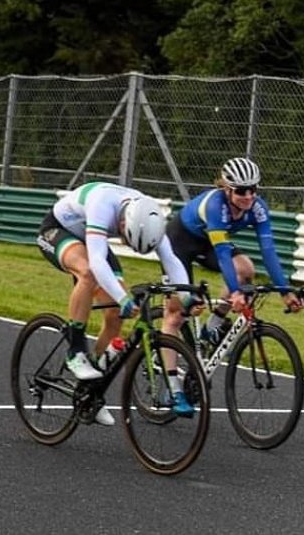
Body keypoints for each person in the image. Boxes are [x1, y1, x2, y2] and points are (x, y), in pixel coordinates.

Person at [36, 181, 195, 425]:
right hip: (58, 231)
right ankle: (75, 352)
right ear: (123, 224)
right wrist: (123, 299)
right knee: (88, 272)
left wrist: (186, 297)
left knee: (115, 317)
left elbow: (171, 260)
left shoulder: (151, 217)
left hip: (90, 239)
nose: (126, 243)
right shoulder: (103, 204)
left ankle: (90, 388)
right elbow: (98, 261)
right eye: (127, 240)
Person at [163, 157, 304, 346]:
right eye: (241, 190)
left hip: (208, 242)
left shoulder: (258, 207)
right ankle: (164, 365)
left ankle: (211, 329)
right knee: (177, 314)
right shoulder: (215, 205)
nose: (248, 196)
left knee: (245, 270)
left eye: (253, 189)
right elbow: (222, 254)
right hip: (179, 242)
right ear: (227, 189)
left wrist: (285, 291)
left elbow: (268, 251)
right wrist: (236, 293)